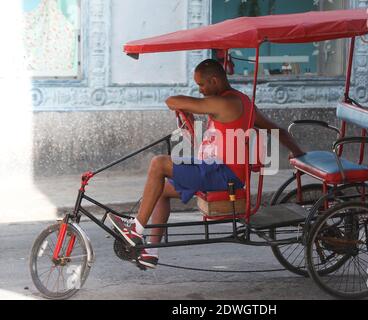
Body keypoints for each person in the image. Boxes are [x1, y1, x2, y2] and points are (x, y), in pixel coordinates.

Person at [108, 59, 305, 269]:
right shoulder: (243, 102)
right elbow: (279, 130)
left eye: (202, 85)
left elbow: (172, 101)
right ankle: (151, 251)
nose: (200, 90)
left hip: (222, 174)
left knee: (159, 164)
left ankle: (135, 228)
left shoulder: (224, 103)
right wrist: (300, 153)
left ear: (214, 80)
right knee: (161, 190)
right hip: (216, 169)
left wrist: (187, 107)